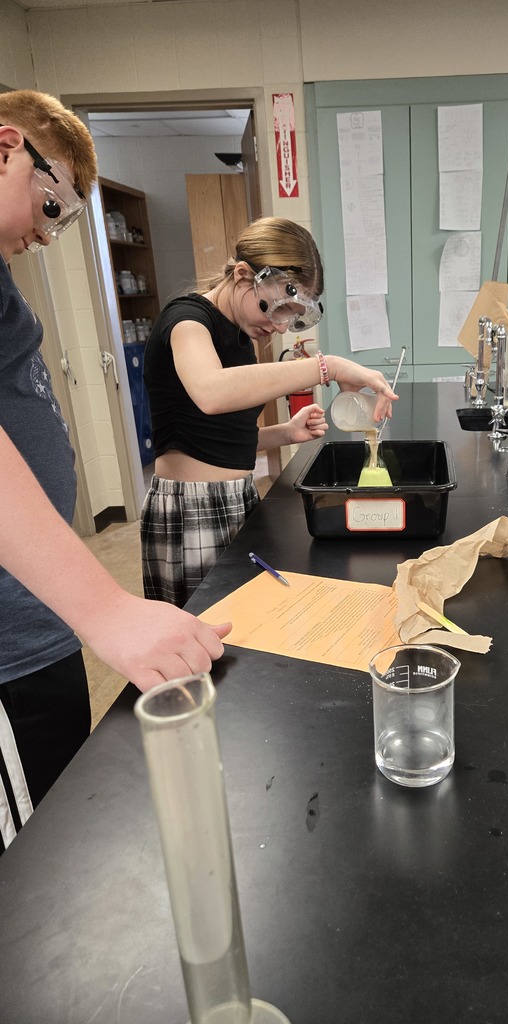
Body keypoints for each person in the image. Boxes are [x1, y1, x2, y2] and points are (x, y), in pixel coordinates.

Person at [0, 89, 232, 849]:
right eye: (53, 199)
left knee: (60, 831)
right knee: (32, 861)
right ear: (7, 148)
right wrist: (103, 607)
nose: (49, 230)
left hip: (38, 619)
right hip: (11, 645)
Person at [141, 216, 398, 608]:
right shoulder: (187, 321)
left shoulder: (239, 335)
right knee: (202, 634)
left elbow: (209, 438)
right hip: (191, 508)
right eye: (277, 309)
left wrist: (284, 434)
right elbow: (211, 393)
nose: (280, 328)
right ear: (244, 275)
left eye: (291, 317)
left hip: (236, 497)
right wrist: (328, 366)